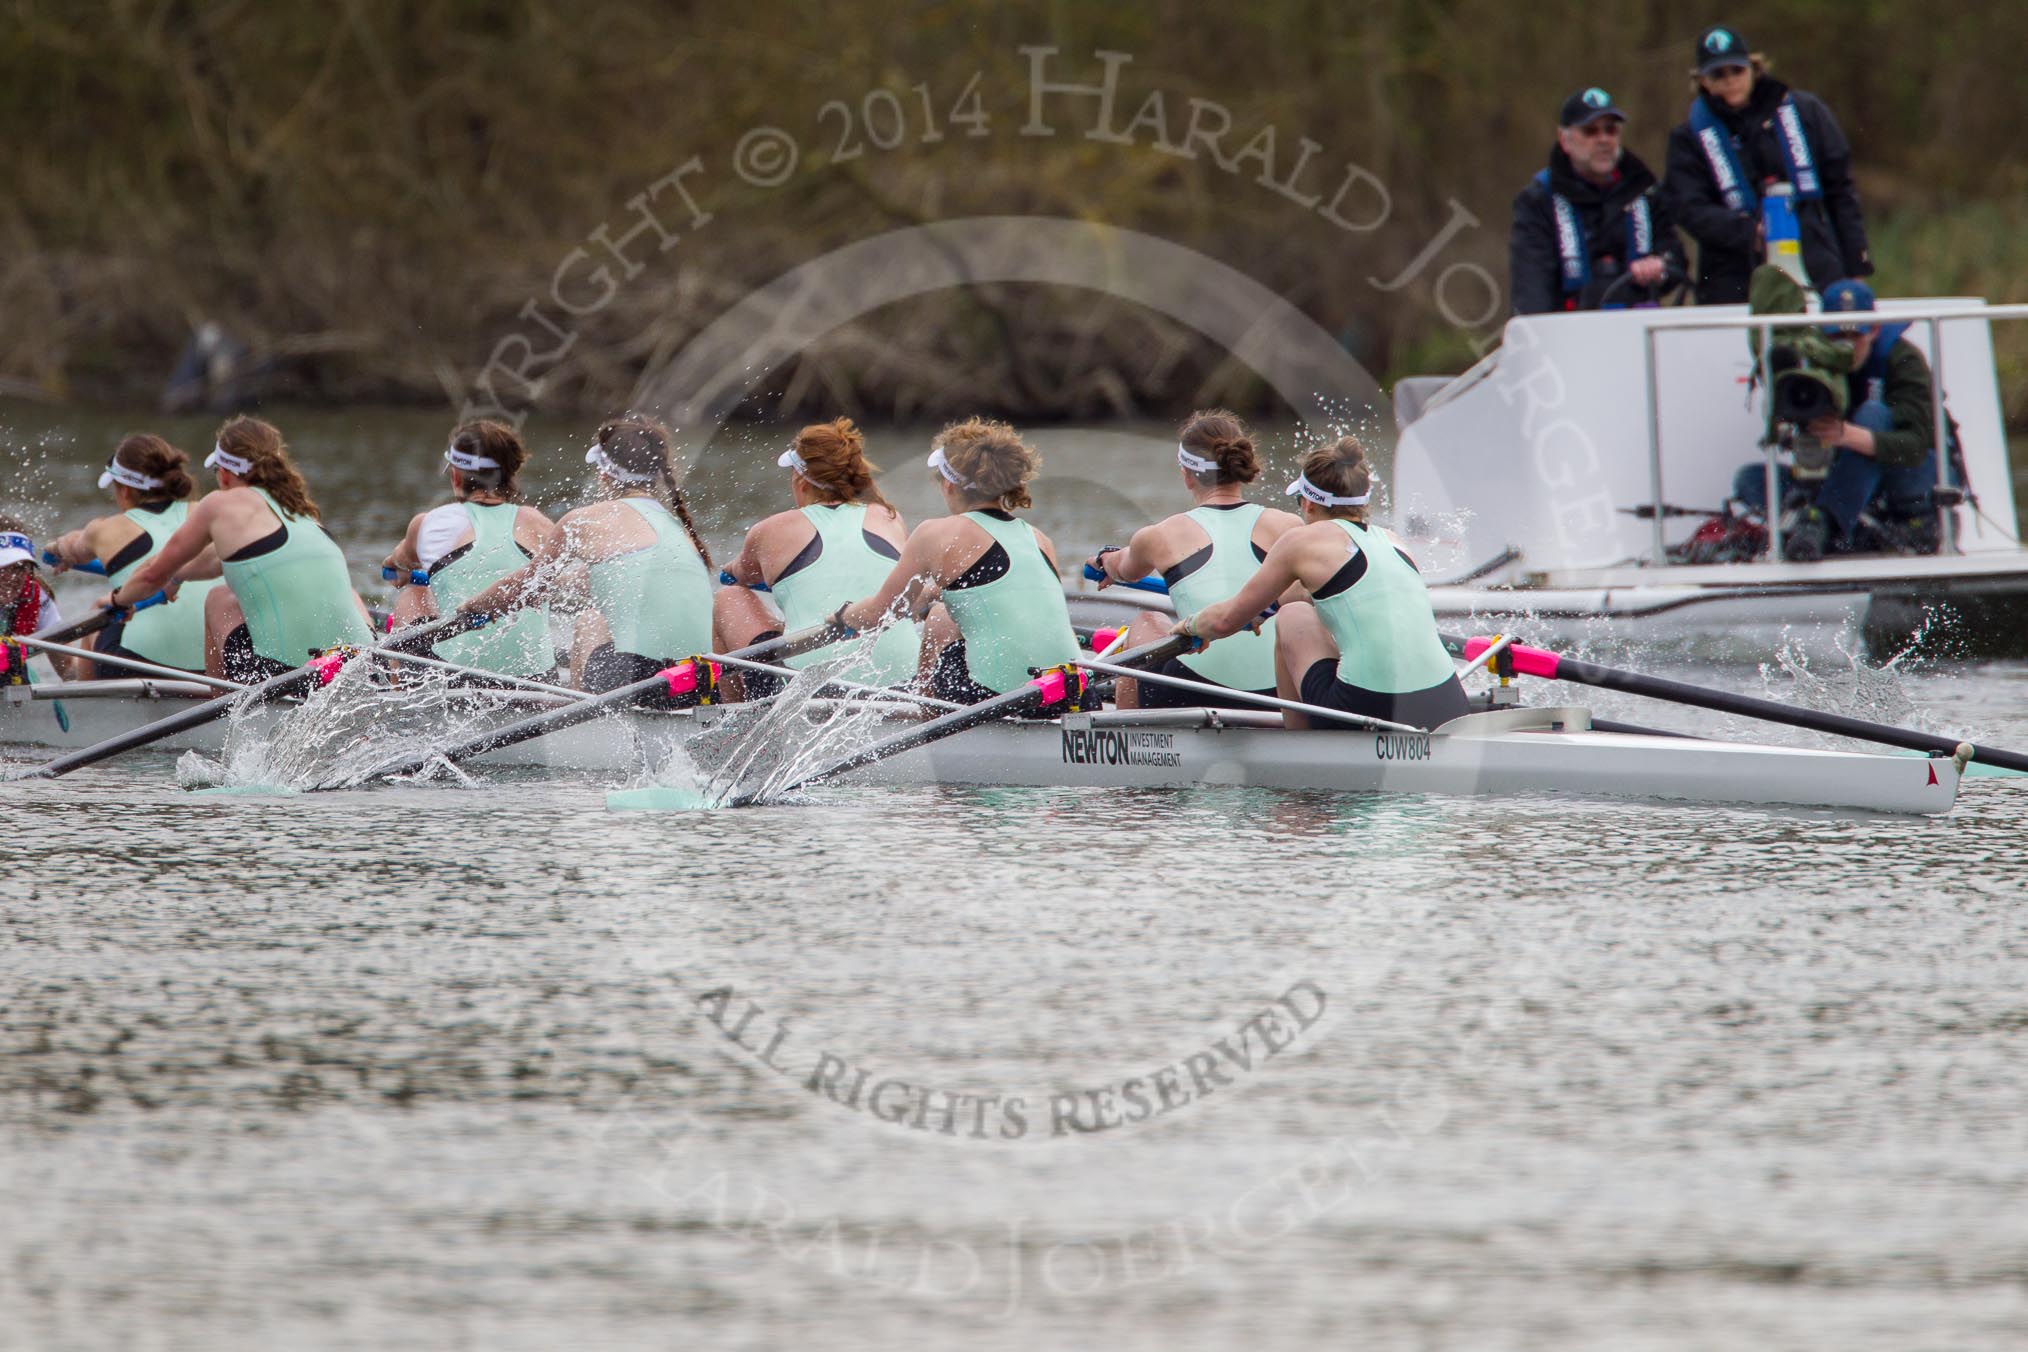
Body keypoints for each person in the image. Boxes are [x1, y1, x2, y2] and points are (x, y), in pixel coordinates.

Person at [1172, 437, 1469, 732]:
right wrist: (1264, 608)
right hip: (1447, 704)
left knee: (1293, 616)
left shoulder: (1300, 541)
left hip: (1370, 706)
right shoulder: (1395, 542)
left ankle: (1298, 748)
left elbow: (1224, 621)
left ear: (1310, 502)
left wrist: (1189, 627)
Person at [101, 416, 372, 682]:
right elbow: (209, 562)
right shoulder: (301, 511)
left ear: (226, 473)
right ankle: (377, 665)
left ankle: (221, 709)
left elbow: (151, 575)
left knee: (219, 598)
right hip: (357, 668)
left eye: (216, 471)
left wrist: (119, 601)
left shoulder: (219, 505)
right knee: (350, 592)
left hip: (290, 678)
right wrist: (178, 577)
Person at [457, 415, 714, 694]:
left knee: (591, 621)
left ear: (604, 474)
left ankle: (580, 726)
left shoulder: (583, 520)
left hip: (636, 686)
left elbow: (524, 585)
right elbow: (608, 579)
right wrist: (558, 585)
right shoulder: (682, 530)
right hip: (697, 684)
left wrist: (473, 606)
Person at [835, 418, 1079, 704]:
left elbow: (879, 613)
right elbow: (1008, 600)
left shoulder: (936, 533)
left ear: (949, 484)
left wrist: (843, 615)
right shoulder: (1040, 539)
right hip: (1071, 693)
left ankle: (924, 724)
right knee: (946, 611)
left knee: (940, 617)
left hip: (1000, 699)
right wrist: (935, 593)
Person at [1084, 410, 1301, 708]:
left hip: (1194, 689)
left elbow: (1124, 569)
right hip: (1282, 696)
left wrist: (1102, 561)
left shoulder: (1159, 535)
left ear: (1187, 475)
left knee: (1148, 621)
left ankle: (1125, 738)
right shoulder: (1289, 526)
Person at [1731, 279, 1952, 560]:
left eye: (1854, 337)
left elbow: (1917, 445)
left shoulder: (1902, 360)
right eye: (1837, 338)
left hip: (1902, 475)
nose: (1847, 348)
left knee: (1873, 413)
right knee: (1750, 479)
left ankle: (1825, 522)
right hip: (1839, 476)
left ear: (1873, 330)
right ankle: (1838, 527)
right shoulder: (1815, 364)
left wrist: (1848, 435)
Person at [1663, 25, 1870, 305]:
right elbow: (1688, 208)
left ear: (1754, 68)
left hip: (1814, 263)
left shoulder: (1806, 112)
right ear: (1703, 81)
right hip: (1732, 277)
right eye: (1718, 74)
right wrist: (1751, 233)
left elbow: (1841, 190)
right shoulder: (1688, 138)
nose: (1729, 81)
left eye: (1737, 70)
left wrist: (1856, 266)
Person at [714, 417, 917, 699]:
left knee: (729, 597)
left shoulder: (771, 529)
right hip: (903, 681)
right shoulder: (889, 517)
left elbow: (739, 575)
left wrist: (729, 570)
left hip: (808, 686)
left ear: (800, 479)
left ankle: (733, 724)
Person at [381, 421, 558, 678]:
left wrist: (403, 571)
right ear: (510, 475)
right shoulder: (540, 523)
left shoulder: (427, 523)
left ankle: (399, 694)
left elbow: (394, 569)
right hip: (538, 679)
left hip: (455, 678)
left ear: (455, 476)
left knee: (414, 594)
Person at [42, 435, 221, 678]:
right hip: (219, 663)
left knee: (100, 609)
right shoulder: (207, 511)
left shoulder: (103, 530)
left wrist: (55, 550)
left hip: (139, 665)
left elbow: (64, 548)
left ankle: (80, 693)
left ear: (124, 490)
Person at [1510, 87, 1684, 315]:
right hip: (1569, 332)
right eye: (1590, 131)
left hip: (1637, 328)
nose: (1603, 140)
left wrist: (1660, 269)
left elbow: (1675, 260)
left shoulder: (1644, 191)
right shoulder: (1538, 201)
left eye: (1610, 130)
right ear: (1565, 140)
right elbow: (1531, 289)